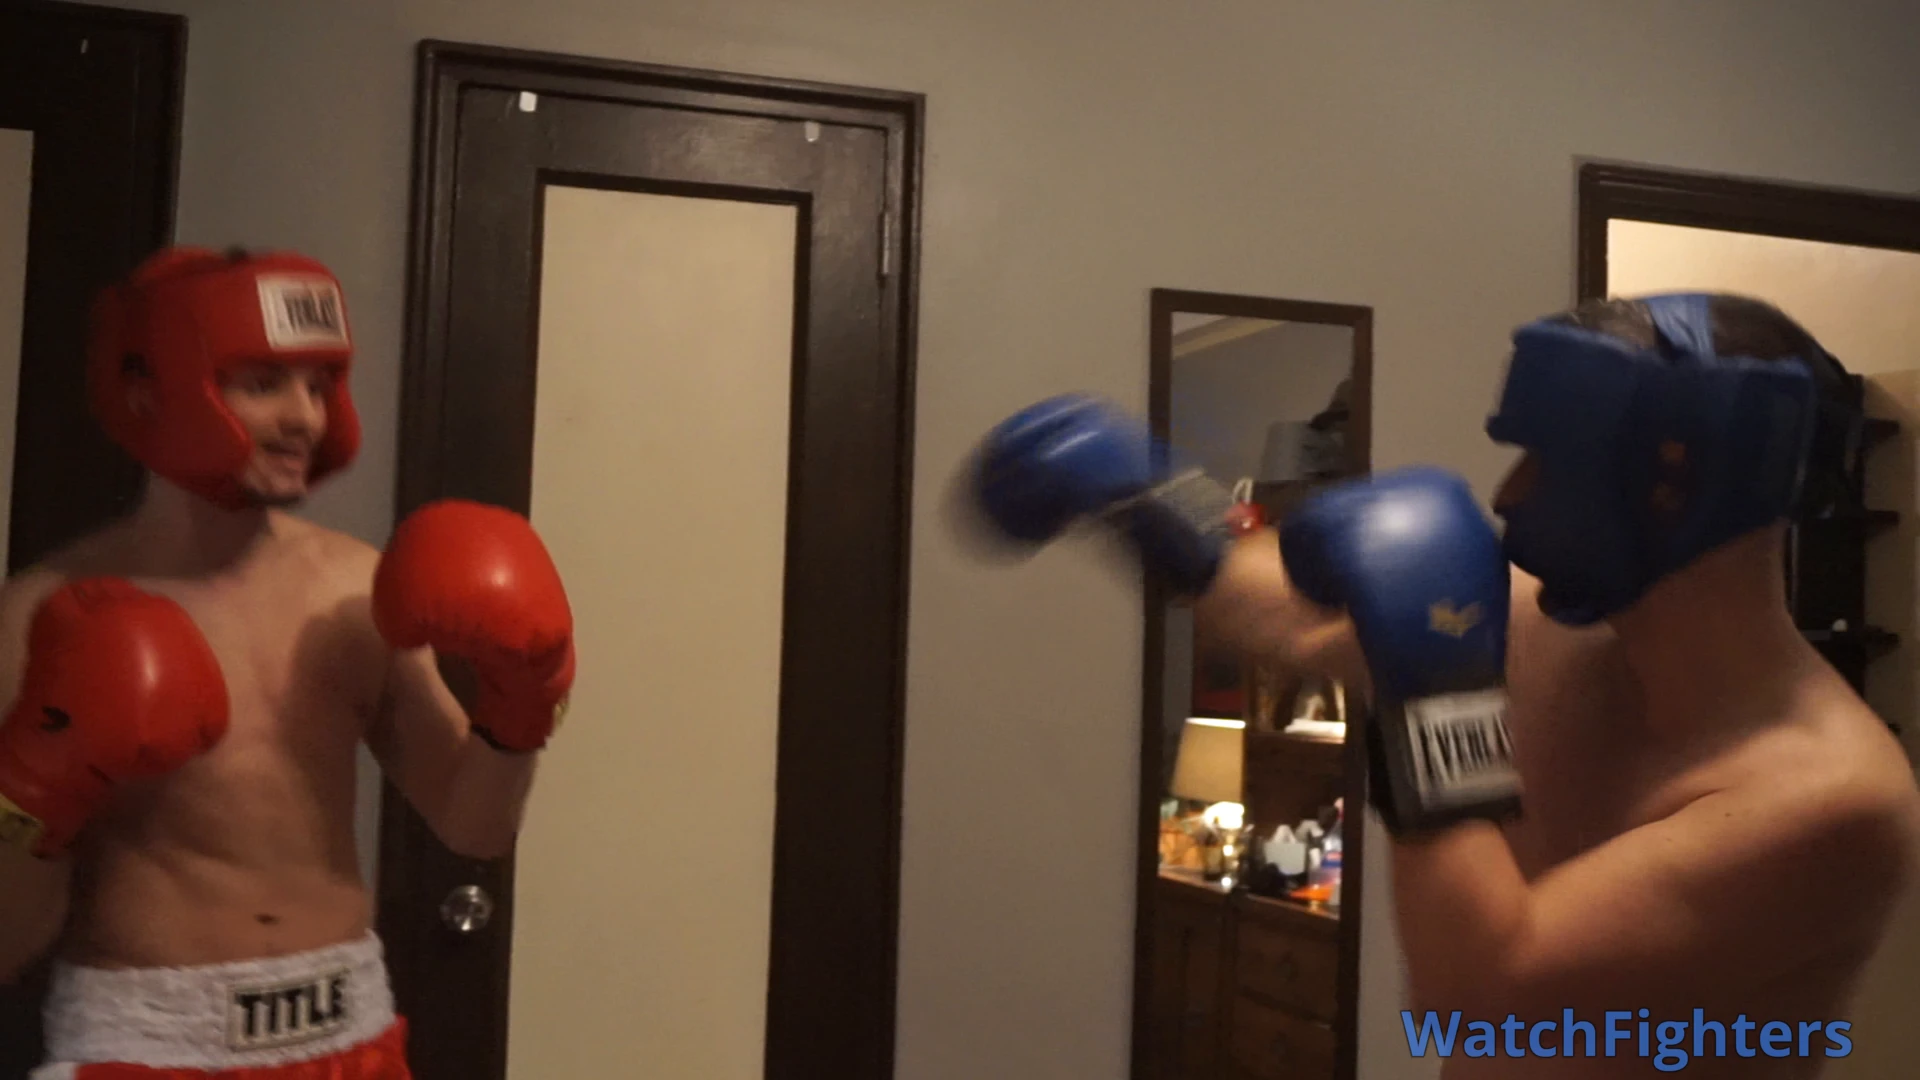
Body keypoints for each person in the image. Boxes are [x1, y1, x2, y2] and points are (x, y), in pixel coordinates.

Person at [964, 292, 1920, 1077]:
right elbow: (1268, 609)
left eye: (1549, 460)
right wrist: (1148, 496)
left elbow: (1483, 1001)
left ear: (1674, 482)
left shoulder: (1827, 797)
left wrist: (1434, 703)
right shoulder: (1542, 626)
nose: (1507, 495)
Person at [0, 247, 576, 1079]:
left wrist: (528, 700)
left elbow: (474, 826)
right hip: (145, 1044)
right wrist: (36, 789)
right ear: (153, 391)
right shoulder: (41, 615)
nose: (305, 417)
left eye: (318, 384)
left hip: (349, 1034)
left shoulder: (354, 589)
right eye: (265, 383)